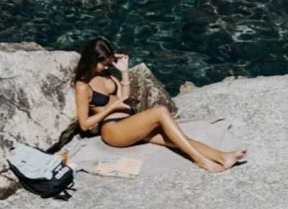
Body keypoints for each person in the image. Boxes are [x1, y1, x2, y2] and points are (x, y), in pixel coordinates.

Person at [74, 37, 246, 173]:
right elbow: (85, 124)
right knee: (160, 111)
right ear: (91, 60)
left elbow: (123, 97)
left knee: (176, 139)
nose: (106, 67)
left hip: (129, 123)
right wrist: (111, 108)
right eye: (103, 63)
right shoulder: (83, 86)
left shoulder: (107, 76)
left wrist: (124, 71)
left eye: (108, 62)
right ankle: (200, 160)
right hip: (113, 131)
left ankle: (222, 157)